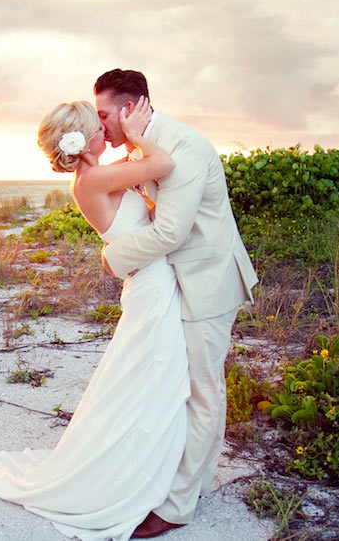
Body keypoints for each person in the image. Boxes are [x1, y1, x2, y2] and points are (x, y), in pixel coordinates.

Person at [0, 97, 191, 541]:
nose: (106, 129)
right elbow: (164, 162)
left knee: (146, 382)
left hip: (151, 282)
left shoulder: (94, 175)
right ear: (84, 137)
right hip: (151, 287)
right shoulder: (93, 178)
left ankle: (157, 469)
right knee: (154, 380)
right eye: (100, 125)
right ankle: (141, 477)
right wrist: (136, 136)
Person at [95, 69, 258, 538]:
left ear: (129, 110)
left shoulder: (182, 146)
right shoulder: (145, 145)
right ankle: (197, 481)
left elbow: (171, 231)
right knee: (194, 386)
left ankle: (178, 506)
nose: (99, 124)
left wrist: (113, 258)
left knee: (203, 390)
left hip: (207, 281)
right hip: (180, 281)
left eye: (104, 114)